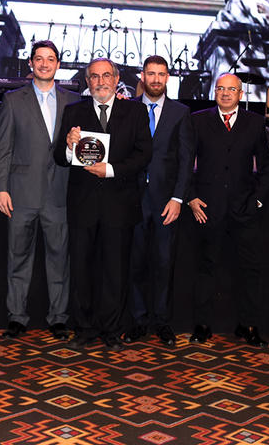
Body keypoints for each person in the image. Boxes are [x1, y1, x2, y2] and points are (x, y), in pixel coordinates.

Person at [54, 58, 152, 352]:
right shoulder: (74, 111)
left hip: (119, 205)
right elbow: (59, 158)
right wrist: (69, 145)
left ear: (116, 77)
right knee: (82, 270)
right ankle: (84, 329)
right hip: (82, 205)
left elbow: (144, 154)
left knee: (115, 270)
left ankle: (111, 329)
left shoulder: (135, 111)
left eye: (106, 75)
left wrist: (111, 169)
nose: (100, 81)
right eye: (94, 77)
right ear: (87, 81)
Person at [0, 40, 79, 341]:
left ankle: (58, 318)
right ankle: (17, 316)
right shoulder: (13, 100)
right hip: (20, 193)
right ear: (30, 63)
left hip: (60, 193)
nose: (44, 64)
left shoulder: (75, 100)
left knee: (59, 259)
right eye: (39, 59)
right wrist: (1, 189)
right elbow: (3, 149)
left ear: (58, 64)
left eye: (50, 59)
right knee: (18, 257)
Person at [187, 72, 269, 347]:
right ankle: (202, 325)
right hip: (207, 209)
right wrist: (190, 197)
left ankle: (248, 325)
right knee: (205, 269)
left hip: (244, 210)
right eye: (220, 88)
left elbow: (265, 169)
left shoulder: (255, 122)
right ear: (215, 92)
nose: (226, 93)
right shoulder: (197, 120)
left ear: (241, 94)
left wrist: (257, 201)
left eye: (232, 89)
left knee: (249, 270)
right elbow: (184, 163)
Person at [123, 55, 193, 347]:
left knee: (164, 263)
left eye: (161, 74)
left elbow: (186, 160)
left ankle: (162, 322)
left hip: (167, 201)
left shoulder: (181, 112)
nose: (155, 79)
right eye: (150, 74)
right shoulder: (127, 110)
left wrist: (178, 198)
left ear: (168, 78)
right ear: (142, 75)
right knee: (135, 263)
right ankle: (139, 321)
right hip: (132, 199)